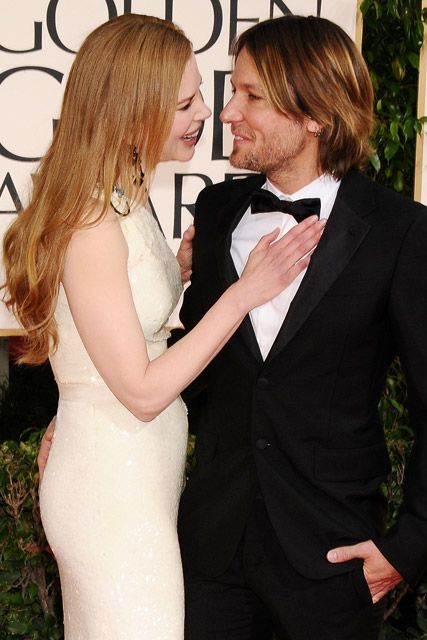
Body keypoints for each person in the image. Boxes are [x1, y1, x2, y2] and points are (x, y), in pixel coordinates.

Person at [2, 13, 324, 640]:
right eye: (184, 103)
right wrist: (242, 294)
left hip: (129, 481)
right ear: (130, 114)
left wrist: (174, 277)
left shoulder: (123, 197)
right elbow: (144, 391)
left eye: (201, 93)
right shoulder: (94, 219)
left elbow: (119, 333)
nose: (207, 113)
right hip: (110, 492)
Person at [175, 14, 427, 640]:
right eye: (233, 91)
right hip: (211, 554)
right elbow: (194, 366)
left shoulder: (400, 231)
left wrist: (410, 546)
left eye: (251, 96)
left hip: (331, 557)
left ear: (315, 114)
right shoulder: (217, 210)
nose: (228, 112)